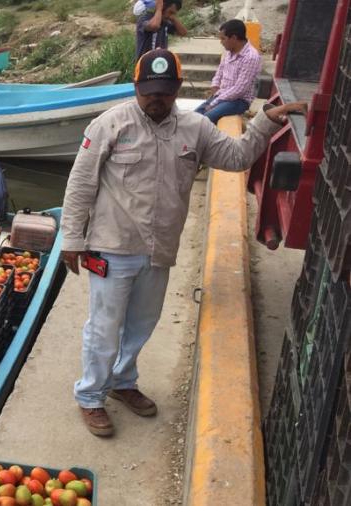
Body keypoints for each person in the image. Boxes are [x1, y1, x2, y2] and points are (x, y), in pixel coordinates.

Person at [60, 48, 306, 437]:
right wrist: (72, 238)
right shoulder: (109, 124)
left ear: (176, 89)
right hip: (113, 247)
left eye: (164, 92)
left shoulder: (196, 128)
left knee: (142, 323)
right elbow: (80, 184)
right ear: (136, 87)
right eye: (148, 92)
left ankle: (123, 381)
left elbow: (236, 157)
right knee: (104, 327)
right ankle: (91, 396)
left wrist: (264, 122)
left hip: (159, 249)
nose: (156, 99)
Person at [194, 19, 263, 123]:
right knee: (194, 116)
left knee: (206, 119)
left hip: (238, 100)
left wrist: (214, 102)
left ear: (234, 38)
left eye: (223, 39)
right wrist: (215, 85)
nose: (221, 42)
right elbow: (220, 71)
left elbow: (239, 89)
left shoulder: (251, 57)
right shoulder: (230, 51)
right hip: (221, 95)